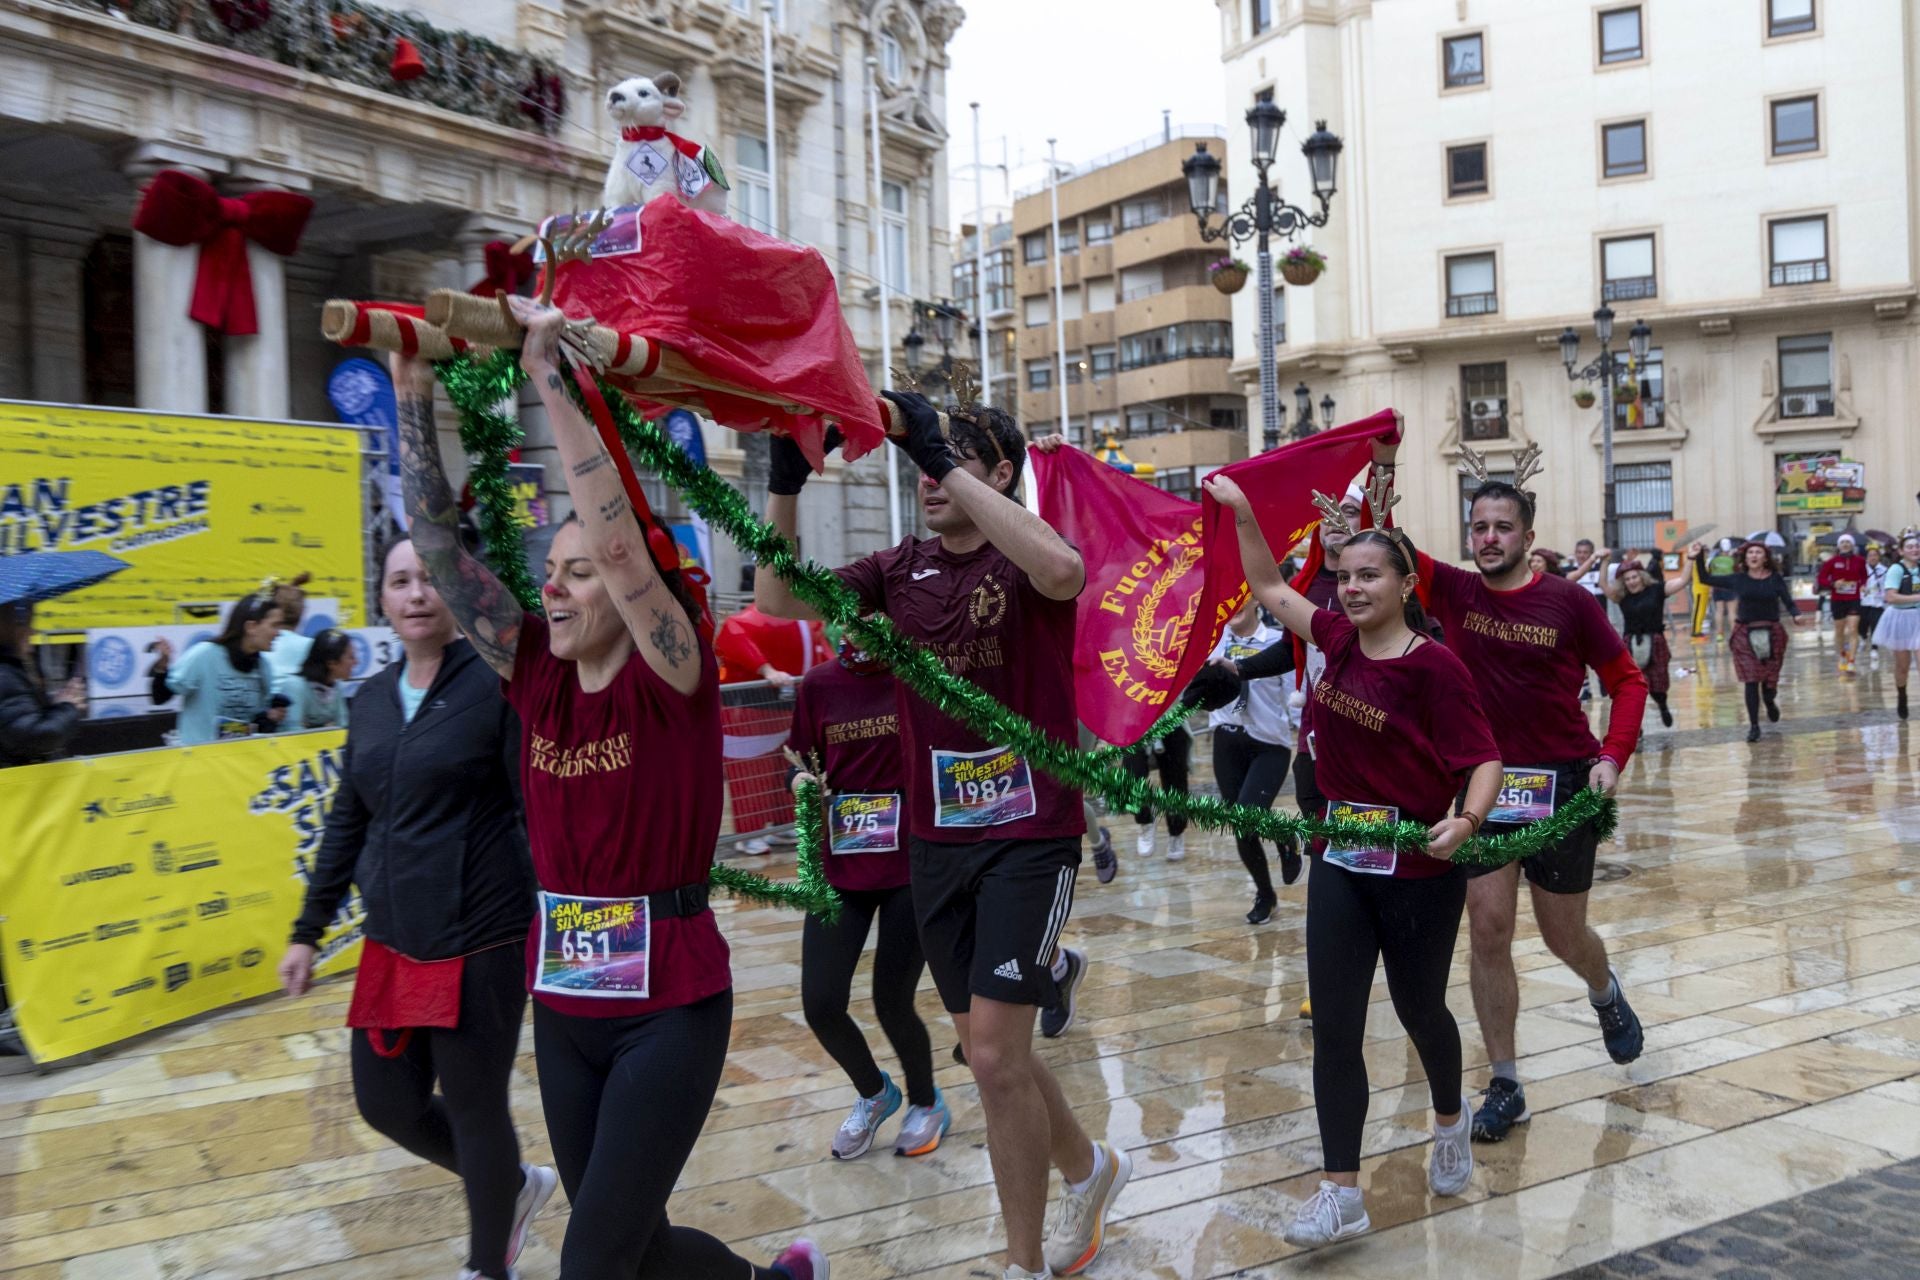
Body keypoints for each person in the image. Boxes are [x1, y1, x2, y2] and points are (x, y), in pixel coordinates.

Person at [390, 300, 826, 1280]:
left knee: (589, 1263)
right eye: (550, 571)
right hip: (568, 999)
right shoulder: (533, 669)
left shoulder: (673, 673)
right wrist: (412, 393)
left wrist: (551, 376)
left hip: (670, 1003)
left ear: (632, 596)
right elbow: (440, 547)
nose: (555, 587)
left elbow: (624, 542)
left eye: (578, 573)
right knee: (632, 1244)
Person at [758, 392, 1126, 1280]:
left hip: (1032, 833)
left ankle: (1023, 1263)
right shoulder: (897, 567)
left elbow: (1067, 572)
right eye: (923, 457)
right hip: (937, 842)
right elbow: (775, 599)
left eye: (953, 457)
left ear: (998, 474)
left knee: (994, 1053)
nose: (929, 471)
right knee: (994, 1052)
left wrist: (944, 451)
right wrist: (784, 487)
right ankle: (1089, 1166)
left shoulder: (1024, 560)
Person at [1205, 466, 1502, 1249]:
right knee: (1335, 1025)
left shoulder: (1435, 667)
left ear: (1405, 583)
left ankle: (1449, 1114)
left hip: (1419, 868)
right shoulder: (1334, 637)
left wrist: (1466, 822)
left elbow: (1484, 760)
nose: (1352, 588)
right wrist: (1241, 511)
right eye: (1344, 577)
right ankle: (1341, 1190)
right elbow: (1269, 589)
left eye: (1370, 575)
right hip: (1342, 858)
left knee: (1419, 1010)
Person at [280, 536, 551, 1280]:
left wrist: (550, 909)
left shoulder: (496, 684)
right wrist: (307, 931)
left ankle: (487, 1264)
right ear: (383, 598)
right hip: (394, 941)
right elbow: (348, 820)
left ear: (459, 590)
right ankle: (512, 1186)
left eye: (431, 578)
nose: (417, 594)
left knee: (473, 1104)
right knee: (385, 1104)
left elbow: (534, 804)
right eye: (401, 581)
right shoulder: (368, 699)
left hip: (482, 932)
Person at [1391, 443, 1650, 1145]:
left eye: (1502, 527)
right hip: (1488, 782)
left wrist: (1611, 757)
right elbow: (1388, 540)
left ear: (1528, 537)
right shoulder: (1451, 589)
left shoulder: (1568, 602)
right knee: (1487, 927)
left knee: (1565, 935)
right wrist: (1380, 460)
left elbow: (1629, 681)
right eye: (1479, 527)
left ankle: (1604, 990)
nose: (1489, 539)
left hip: (1563, 783)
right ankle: (1505, 1081)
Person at [786, 640, 948, 1161]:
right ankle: (875, 1093)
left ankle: (926, 1101)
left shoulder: (920, 675)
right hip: (840, 864)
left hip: (909, 865)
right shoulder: (818, 684)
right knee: (821, 1002)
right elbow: (797, 761)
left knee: (891, 999)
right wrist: (802, 781)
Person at [1206, 599, 1300, 923]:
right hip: (1226, 740)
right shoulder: (1215, 640)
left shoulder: (1276, 643)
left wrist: (1306, 736)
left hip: (1268, 745)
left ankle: (1285, 836)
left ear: (1257, 599)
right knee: (1241, 824)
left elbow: (1294, 696)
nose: (1232, 605)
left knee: (1248, 813)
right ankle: (1265, 894)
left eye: (1240, 597)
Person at [1693, 540, 1812, 741]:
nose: (1754, 556)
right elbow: (1705, 578)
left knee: (1768, 681)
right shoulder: (1738, 579)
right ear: (1745, 558)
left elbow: (1787, 600)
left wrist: (1796, 614)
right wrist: (1698, 556)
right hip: (1745, 632)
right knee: (1751, 679)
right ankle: (1754, 726)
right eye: (1750, 553)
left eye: (1758, 552)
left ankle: (1770, 700)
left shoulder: (1775, 578)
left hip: (1772, 630)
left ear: (1765, 558)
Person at [148, 589, 287, 744]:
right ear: (251, 627)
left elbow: (253, 726)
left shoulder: (263, 667)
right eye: (274, 626)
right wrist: (162, 667)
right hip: (198, 760)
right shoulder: (205, 655)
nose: (279, 633)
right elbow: (159, 697)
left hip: (236, 760)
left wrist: (271, 717)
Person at [1606, 557, 1690, 728]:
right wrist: (1602, 562)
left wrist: (1691, 558)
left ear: (1642, 576)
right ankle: (1638, 727)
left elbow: (1682, 580)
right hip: (1631, 645)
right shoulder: (1622, 597)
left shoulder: (1657, 590)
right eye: (1627, 579)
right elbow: (1603, 585)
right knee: (1634, 687)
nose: (1631, 581)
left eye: (1634, 577)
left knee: (1658, 685)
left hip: (1656, 642)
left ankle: (1662, 704)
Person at [0, 602, 84, 767]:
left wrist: (52, 707)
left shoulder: (10, 670)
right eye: (23, 623)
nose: (32, 631)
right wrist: (67, 707)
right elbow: (34, 738)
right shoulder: (5, 674)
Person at [1120, 724, 1190, 860]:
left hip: (1170, 717)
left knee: (1175, 780)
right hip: (1136, 720)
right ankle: (1144, 820)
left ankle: (1176, 832)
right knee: (1130, 778)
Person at [1876, 533, 1920, 720]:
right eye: (1909, 547)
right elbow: (1890, 597)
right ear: (1901, 551)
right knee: (1903, 666)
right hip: (1901, 619)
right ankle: (1902, 695)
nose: (1915, 550)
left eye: (1917, 546)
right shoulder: (1896, 569)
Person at [276, 628, 355, 730]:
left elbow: (344, 729)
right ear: (332, 663)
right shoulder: (295, 687)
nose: (356, 662)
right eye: (351, 657)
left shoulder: (336, 686)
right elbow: (292, 735)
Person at [1816, 533, 1867, 673]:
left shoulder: (1860, 561)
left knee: (1853, 629)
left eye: (1848, 542)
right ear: (1839, 545)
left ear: (1852, 545)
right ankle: (1842, 655)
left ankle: (1852, 660)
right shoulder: (1831, 562)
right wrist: (1833, 583)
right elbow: (1821, 579)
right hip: (1837, 600)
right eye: (1843, 542)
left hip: (1854, 599)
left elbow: (1864, 577)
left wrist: (1863, 585)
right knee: (1839, 631)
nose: (1845, 544)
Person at [1861, 544, 1889, 668]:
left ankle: (1874, 648)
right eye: (1870, 555)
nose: (1872, 557)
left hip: (1878, 603)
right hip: (1864, 602)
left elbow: (1888, 586)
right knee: (1862, 625)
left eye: (1875, 555)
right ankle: (1862, 637)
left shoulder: (1884, 570)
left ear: (1879, 557)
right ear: (1866, 557)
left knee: (1875, 626)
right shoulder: (1862, 570)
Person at [1707, 540, 1739, 635]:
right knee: (1732, 612)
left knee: (1719, 611)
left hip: (1717, 587)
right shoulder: (1732, 560)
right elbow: (1737, 573)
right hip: (1730, 587)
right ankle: (1734, 633)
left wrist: (1710, 589)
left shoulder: (1713, 560)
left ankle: (1719, 634)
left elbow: (1710, 574)